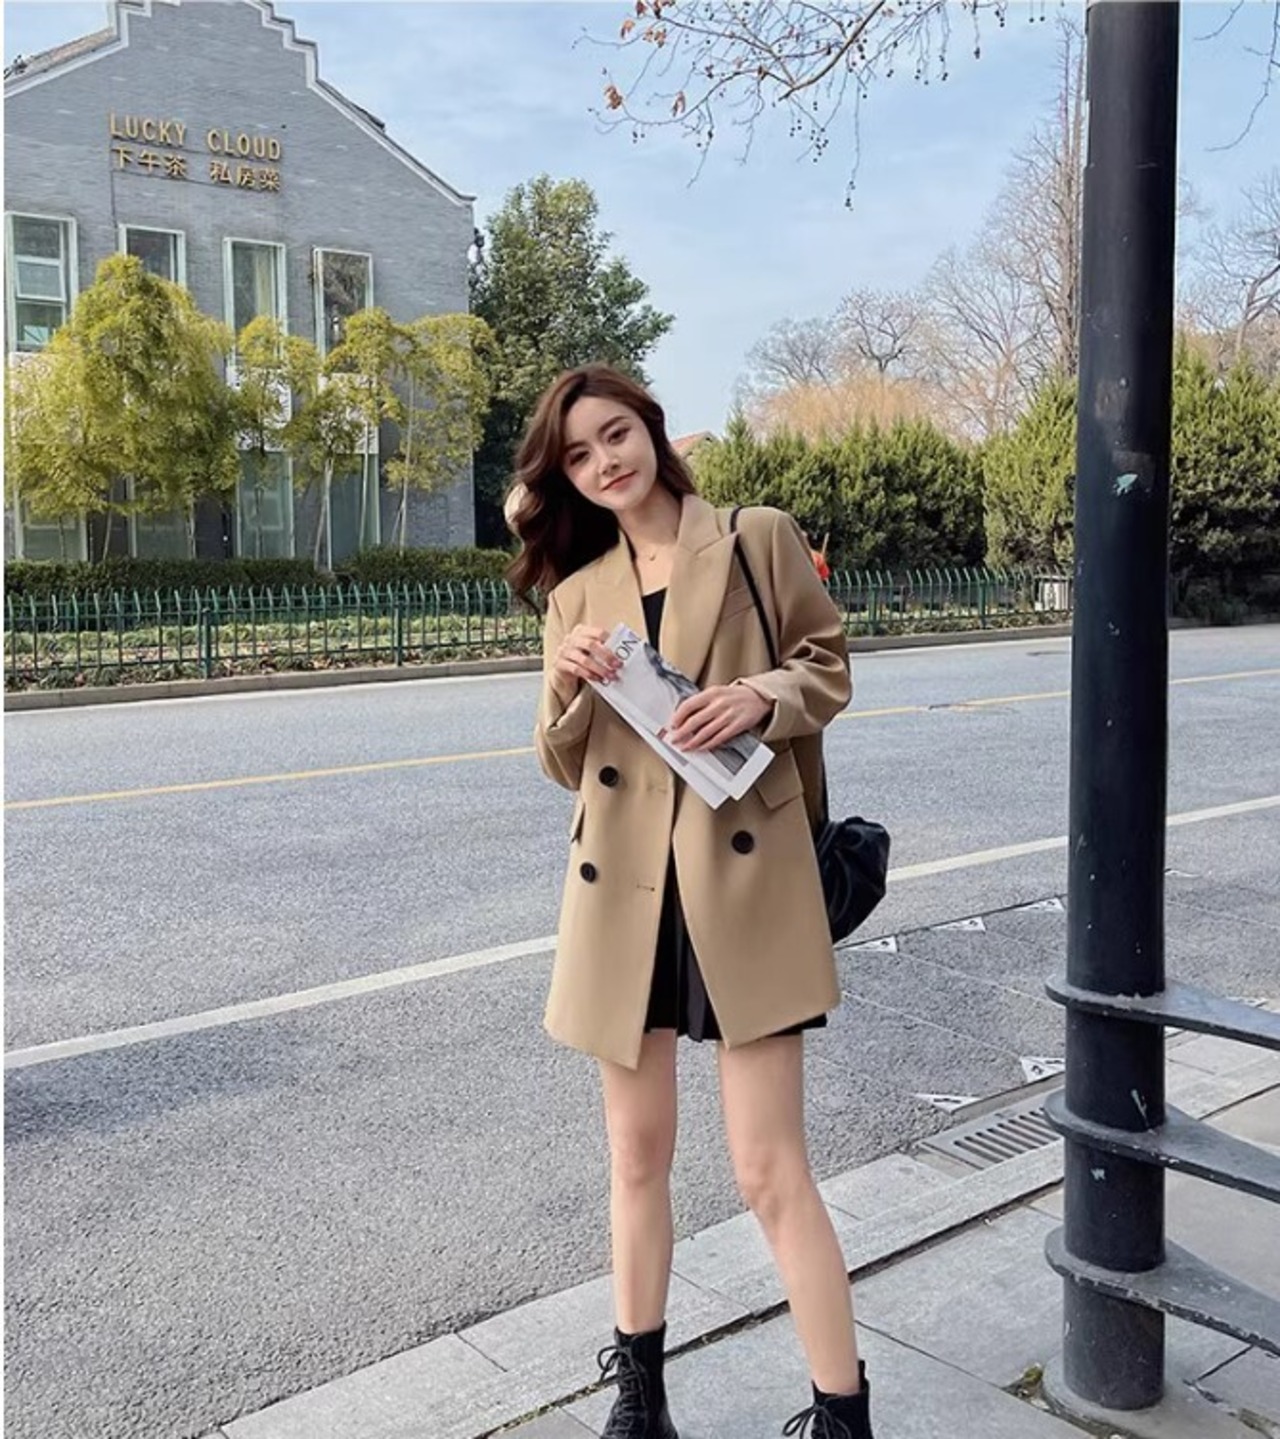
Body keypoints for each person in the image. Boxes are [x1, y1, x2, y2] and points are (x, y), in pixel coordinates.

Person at [507, 364, 874, 1439]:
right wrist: (567, 681)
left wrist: (757, 694)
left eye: (614, 434)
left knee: (769, 1168)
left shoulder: (754, 538)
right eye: (578, 455)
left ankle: (842, 1415)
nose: (603, 462)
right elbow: (561, 763)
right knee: (635, 1157)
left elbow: (828, 666)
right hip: (625, 897)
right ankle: (640, 1402)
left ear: (651, 429)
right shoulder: (577, 593)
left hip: (742, 879)